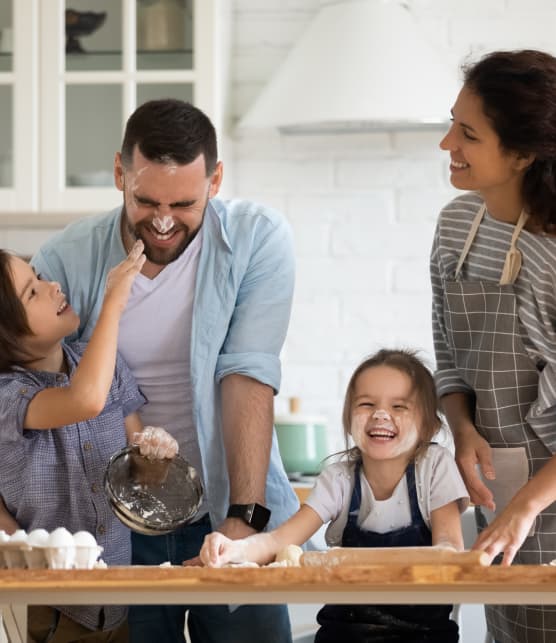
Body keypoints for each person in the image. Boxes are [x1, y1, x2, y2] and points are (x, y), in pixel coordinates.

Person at [31, 98, 299, 643]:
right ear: (118, 174)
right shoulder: (65, 259)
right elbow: (40, 392)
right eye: (145, 199)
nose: (161, 220)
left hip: (231, 506)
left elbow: (247, 375)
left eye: (183, 203)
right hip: (116, 522)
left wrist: (244, 519)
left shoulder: (256, 239)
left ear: (216, 179)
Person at [201, 349, 469, 643]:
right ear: (347, 418)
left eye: (399, 407)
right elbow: (280, 540)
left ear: (429, 425)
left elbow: (449, 551)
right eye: (367, 404)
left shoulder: (434, 466)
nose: (381, 415)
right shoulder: (340, 479)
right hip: (345, 633)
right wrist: (234, 549)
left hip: (424, 635)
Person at [431, 48, 556, 643]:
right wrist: (461, 428)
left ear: (524, 154)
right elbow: (448, 353)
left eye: (469, 133)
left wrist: (527, 506)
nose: (446, 142)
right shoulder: (456, 226)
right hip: (499, 491)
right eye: (452, 121)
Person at [0, 240, 179, 642]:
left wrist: (154, 456)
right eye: (32, 292)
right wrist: (114, 302)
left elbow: (137, 477)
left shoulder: (107, 366)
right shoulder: (7, 396)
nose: (53, 287)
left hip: (115, 602)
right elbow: (84, 400)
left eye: (40, 278)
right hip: (50, 612)